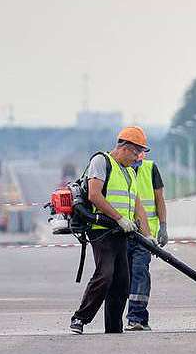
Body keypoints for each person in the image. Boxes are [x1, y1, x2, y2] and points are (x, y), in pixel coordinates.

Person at [69, 127, 151, 334]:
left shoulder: (130, 172)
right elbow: (95, 195)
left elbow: (137, 205)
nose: (137, 158)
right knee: (105, 274)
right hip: (101, 229)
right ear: (124, 147)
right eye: (135, 153)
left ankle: (114, 328)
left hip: (122, 233)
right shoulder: (101, 162)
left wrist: (148, 237)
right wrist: (119, 218)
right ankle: (80, 318)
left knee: (123, 281)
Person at [125, 153, 168, 331]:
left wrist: (163, 226)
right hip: (122, 233)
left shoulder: (150, 169)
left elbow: (159, 200)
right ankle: (120, 319)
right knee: (122, 277)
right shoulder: (116, 169)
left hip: (145, 236)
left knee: (139, 272)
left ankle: (136, 317)